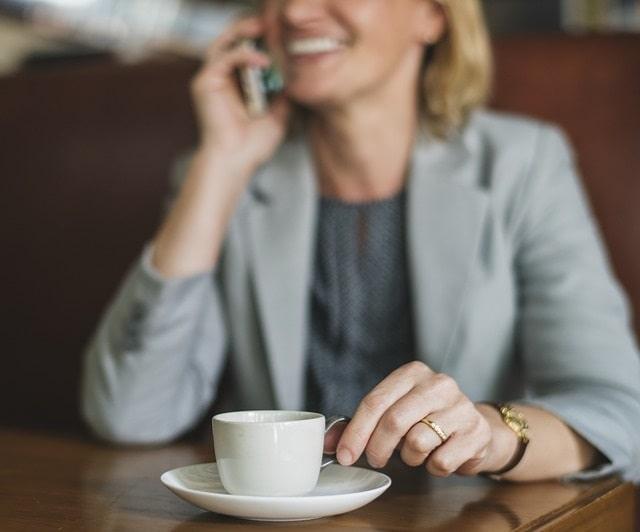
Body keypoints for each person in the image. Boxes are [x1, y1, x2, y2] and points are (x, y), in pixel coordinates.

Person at [81, 0, 640, 482]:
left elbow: (618, 412)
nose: (295, 12)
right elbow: (130, 413)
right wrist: (220, 162)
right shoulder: (229, 176)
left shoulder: (524, 165)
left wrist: (489, 434)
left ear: (432, 14)